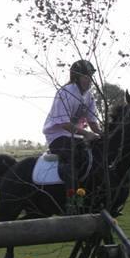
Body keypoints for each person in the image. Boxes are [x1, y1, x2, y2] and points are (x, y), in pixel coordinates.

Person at [42, 59, 102, 190]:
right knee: (75, 155)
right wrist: (87, 133)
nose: (90, 80)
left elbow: (92, 122)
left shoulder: (89, 97)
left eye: (90, 77)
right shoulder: (65, 92)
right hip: (57, 136)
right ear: (77, 77)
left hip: (76, 136)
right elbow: (65, 124)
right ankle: (72, 198)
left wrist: (104, 135)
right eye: (86, 77)